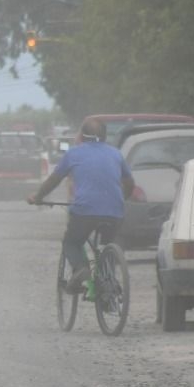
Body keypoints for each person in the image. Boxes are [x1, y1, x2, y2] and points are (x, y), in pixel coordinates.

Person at [27, 121, 135, 291]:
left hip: (85, 210)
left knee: (72, 242)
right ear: (105, 136)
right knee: (109, 244)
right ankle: (108, 284)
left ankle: (81, 269)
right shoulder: (116, 154)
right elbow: (129, 183)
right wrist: (120, 199)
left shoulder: (73, 154)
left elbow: (54, 179)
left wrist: (38, 196)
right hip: (114, 211)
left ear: (82, 136)